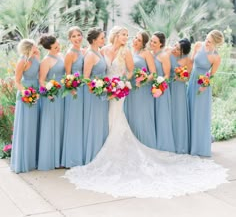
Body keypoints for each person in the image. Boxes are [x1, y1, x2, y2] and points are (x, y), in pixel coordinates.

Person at [64, 26, 227, 199]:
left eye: (129, 35)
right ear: (115, 36)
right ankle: (99, 148)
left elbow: (131, 70)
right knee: (105, 120)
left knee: (117, 118)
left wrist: (122, 83)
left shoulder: (127, 52)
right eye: (125, 35)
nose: (128, 38)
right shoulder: (103, 50)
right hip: (104, 91)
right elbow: (91, 59)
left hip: (118, 91)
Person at [188, 30, 224, 157]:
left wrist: (204, 85)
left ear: (215, 44)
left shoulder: (216, 57)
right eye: (207, 39)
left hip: (202, 87)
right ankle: (188, 141)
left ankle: (198, 144)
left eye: (209, 42)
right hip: (192, 82)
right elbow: (191, 63)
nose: (206, 42)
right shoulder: (198, 45)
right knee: (189, 110)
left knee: (199, 114)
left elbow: (211, 75)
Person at [10, 39, 40, 173]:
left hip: (36, 93)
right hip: (26, 94)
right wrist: (27, 93)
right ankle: (23, 161)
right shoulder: (22, 61)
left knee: (34, 126)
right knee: (26, 126)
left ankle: (33, 159)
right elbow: (16, 81)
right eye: (34, 45)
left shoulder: (36, 57)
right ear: (29, 47)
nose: (36, 46)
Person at [124, 30, 156, 148]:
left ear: (143, 43)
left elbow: (153, 73)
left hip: (142, 90)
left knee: (141, 117)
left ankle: (146, 144)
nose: (135, 41)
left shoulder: (146, 53)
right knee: (130, 116)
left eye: (139, 40)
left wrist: (143, 81)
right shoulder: (128, 52)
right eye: (135, 38)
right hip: (130, 89)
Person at [37, 35, 65, 170]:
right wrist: (49, 92)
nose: (58, 48)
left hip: (63, 94)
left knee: (60, 124)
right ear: (48, 48)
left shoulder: (61, 55)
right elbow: (41, 80)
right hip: (52, 96)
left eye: (58, 45)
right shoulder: (46, 61)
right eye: (55, 47)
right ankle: (50, 158)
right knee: (52, 124)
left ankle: (60, 157)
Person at [83, 27, 109, 164]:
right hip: (94, 95)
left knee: (101, 122)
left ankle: (101, 154)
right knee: (95, 123)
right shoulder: (90, 55)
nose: (104, 40)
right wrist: (96, 91)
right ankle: (93, 155)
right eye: (101, 38)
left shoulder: (98, 52)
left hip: (101, 92)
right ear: (94, 40)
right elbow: (86, 78)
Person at [61, 26, 85, 168]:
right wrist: (72, 89)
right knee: (74, 121)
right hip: (74, 91)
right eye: (73, 36)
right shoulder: (70, 53)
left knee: (80, 121)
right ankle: (71, 158)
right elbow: (67, 75)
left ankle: (80, 154)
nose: (77, 38)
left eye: (79, 35)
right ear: (69, 39)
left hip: (83, 89)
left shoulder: (82, 51)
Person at [150, 31, 175, 152]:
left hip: (161, 90)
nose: (152, 43)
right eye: (151, 41)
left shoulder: (164, 56)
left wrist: (159, 84)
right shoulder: (149, 54)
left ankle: (164, 145)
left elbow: (167, 75)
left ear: (161, 44)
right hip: (150, 89)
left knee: (162, 115)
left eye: (155, 42)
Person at [169, 38, 192, 154]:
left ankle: (180, 143)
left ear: (184, 52)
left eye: (178, 49)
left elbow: (187, 77)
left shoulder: (188, 60)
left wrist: (180, 76)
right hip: (167, 86)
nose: (175, 50)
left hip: (179, 89)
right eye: (175, 46)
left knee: (178, 113)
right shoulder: (169, 53)